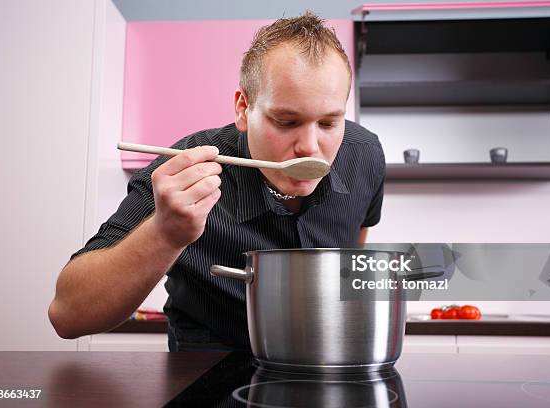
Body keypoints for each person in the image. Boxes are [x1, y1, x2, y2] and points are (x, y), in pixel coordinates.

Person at [48, 11, 385, 351]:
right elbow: (68, 315)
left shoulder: (364, 155)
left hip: (322, 368)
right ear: (242, 108)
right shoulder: (182, 171)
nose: (310, 148)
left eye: (328, 124)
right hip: (206, 376)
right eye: (286, 121)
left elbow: (352, 252)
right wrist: (165, 232)